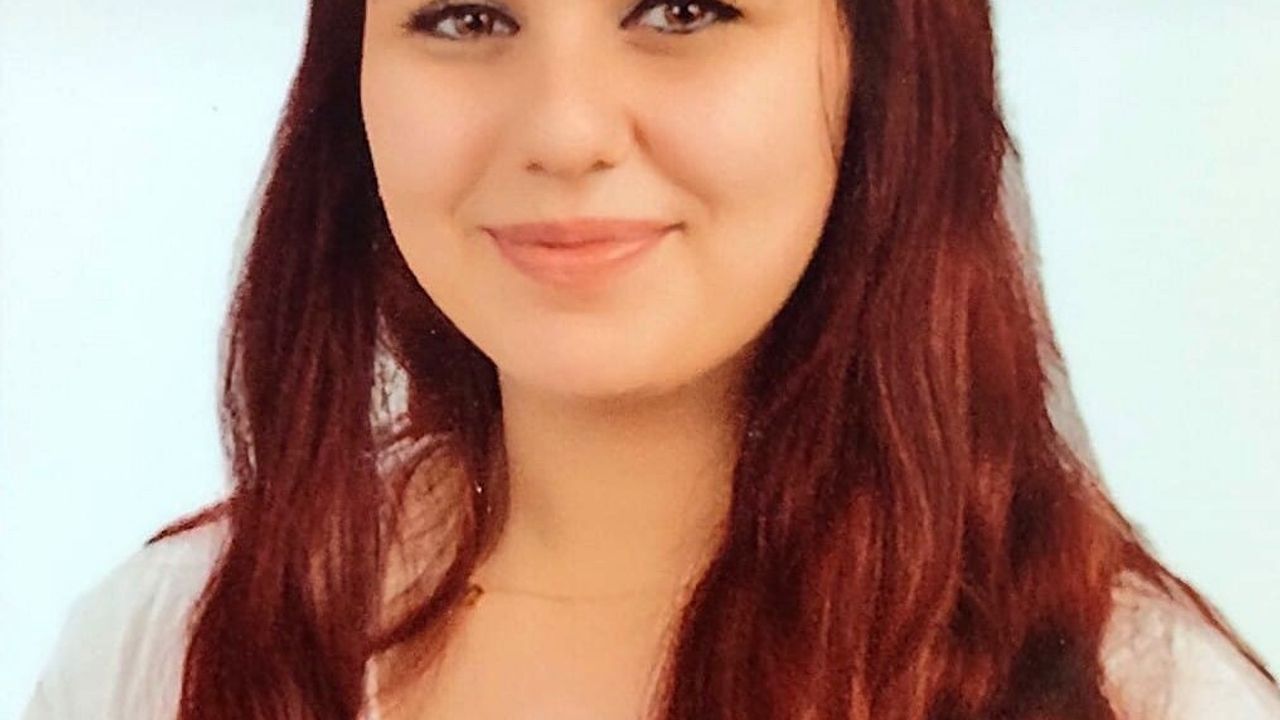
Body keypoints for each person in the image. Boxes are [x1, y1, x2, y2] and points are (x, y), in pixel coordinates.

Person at [21, 0, 1280, 718]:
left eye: (682, 8)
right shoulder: (166, 650)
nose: (563, 130)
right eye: (464, 14)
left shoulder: (1139, 695)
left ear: (878, 65)